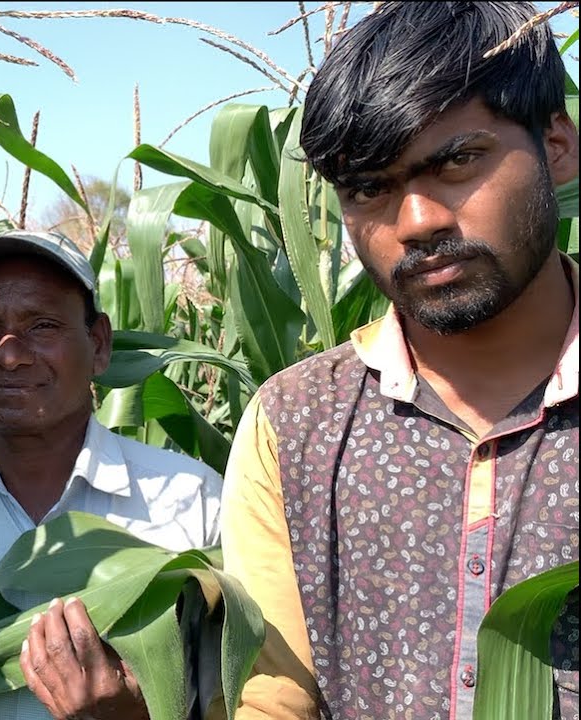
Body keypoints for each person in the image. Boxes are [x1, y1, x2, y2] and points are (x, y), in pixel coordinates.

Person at [221, 2, 579, 718]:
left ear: (557, 146)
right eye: (369, 188)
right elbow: (274, 697)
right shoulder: (293, 424)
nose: (417, 222)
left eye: (456, 161)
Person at [0, 230, 224, 720]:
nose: (9, 353)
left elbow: (248, 697)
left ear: (99, 344)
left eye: (42, 326)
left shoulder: (191, 503)